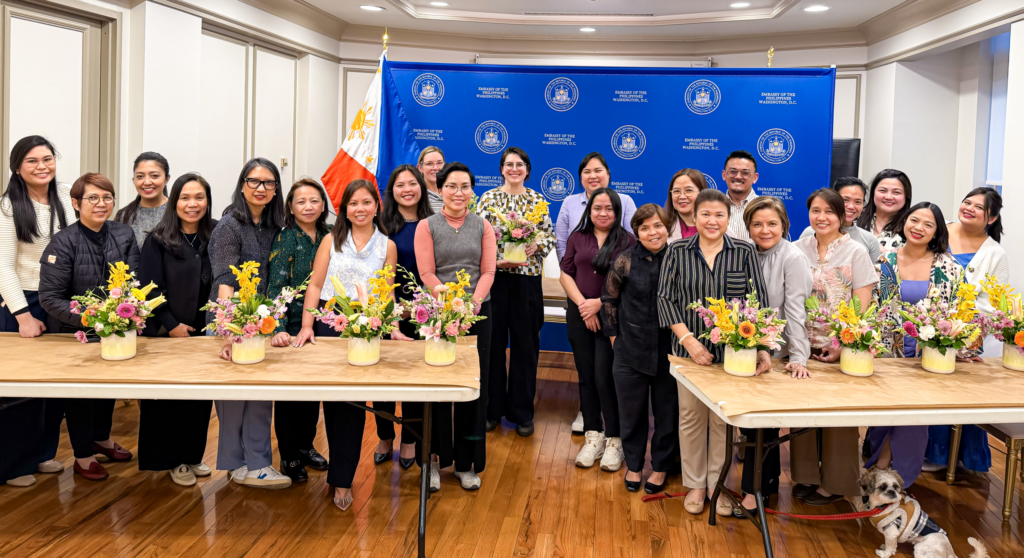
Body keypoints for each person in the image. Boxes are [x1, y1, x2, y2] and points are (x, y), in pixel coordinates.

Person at [657, 188, 768, 517]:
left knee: (722, 422)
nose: (712, 220)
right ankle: (695, 485)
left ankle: (718, 484)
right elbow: (665, 299)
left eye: (720, 215)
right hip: (685, 353)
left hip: (731, 356)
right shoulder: (676, 251)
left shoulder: (744, 252)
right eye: (705, 214)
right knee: (690, 419)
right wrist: (689, 340)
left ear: (729, 218)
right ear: (693, 217)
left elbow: (756, 301)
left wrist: (760, 348)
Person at [293, 179, 401, 510]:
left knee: (353, 407)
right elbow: (315, 285)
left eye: (366, 202)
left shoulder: (388, 246)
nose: (360, 209)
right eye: (353, 203)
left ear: (376, 207)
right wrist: (307, 326)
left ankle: (342, 480)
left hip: (367, 329)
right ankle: (338, 473)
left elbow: (387, 293)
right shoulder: (331, 240)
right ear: (344, 209)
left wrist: (392, 328)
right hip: (329, 325)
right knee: (334, 403)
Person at [38, 172, 139, 481]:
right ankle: (82, 454)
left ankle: (101, 438)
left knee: (109, 388)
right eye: (92, 198)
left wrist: (124, 313)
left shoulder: (124, 233)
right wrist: (90, 318)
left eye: (107, 197)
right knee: (81, 394)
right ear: (76, 203)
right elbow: (50, 297)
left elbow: (133, 281)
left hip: (115, 329)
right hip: (77, 332)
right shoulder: (64, 241)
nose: (101, 204)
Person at [791, 188, 878, 506]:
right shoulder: (798, 247)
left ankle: (837, 482)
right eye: (815, 210)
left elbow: (862, 303)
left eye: (829, 211)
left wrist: (843, 343)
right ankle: (806, 476)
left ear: (842, 216)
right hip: (803, 344)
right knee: (802, 414)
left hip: (840, 347)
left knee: (838, 418)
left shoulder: (855, 251)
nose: (821, 217)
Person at [208, 157, 291, 489]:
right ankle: (238, 463)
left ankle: (255, 461)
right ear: (242, 185)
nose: (261, 188)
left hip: (261, 319)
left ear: (275, 191)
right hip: (231, 318)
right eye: (254, 181)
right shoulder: (228, 225)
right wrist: (230, 330)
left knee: (259, 392)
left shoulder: (274, 226)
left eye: (268, 183)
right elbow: (225, 280)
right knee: (232, 396)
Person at [415, 162, 496, 491]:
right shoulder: (427, 226)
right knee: (437, 388)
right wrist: (451, 306)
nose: (458, 192)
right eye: (451, 186)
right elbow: (427, 273)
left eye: (465, 186)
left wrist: (471, 306)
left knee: (472, 389)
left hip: (478, 315)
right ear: (440, 188)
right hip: (439, 316)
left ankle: (466, 463)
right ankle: (434, 460)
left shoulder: (482, 225)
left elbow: (488, 271)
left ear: (472, 190)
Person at [0, 135, 75, 487]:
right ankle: (14, 466)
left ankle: (42, 455)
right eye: (32, 161)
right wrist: (22, 315)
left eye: (47, 159)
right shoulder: (8, 207)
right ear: (18, 168)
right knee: (19, 391)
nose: (42, 166)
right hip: (24, 303)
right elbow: (3, 266)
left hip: (56, 300)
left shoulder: (62, 203)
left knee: (53, 386)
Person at [868, 202, 960, 487]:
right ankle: (878, 466)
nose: (919, 228)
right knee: (884, 410)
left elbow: (957, 309)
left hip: (929, 352)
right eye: (914, 220)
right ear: (904, 222)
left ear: (937, 232)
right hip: (886, 349)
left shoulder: (949, 266)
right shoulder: (885, 261)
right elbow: (872, 305)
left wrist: (965, 349)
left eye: (928, 224)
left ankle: (896, 474)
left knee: (916, 415)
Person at [735, 196, 813, 517]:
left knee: (762, 426)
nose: (764, 230)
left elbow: (796, 312)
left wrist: (799, 357)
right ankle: (762, 485)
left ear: (784, 225)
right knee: (752, 425)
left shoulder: (792, 257)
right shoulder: (744, 253)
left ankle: (754, 492)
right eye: (757, 224)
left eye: (772, 224)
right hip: (745, 348)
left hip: (778, 353)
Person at [137, 173, 216, 486]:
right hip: (167, 332)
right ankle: (170, 459)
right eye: (185, 197)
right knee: (167, 399)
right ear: (174, 201)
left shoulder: (214, 235)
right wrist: (171, 325)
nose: (192, 204)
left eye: (199, 197)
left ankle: (192, 455)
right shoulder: (157, 240)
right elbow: (148, 288)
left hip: (203, 331)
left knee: (198, 398)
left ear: (207, 201)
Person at [923, 187, 1008, 474]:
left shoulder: (994, 253)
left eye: (978, 207)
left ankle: (958, 456)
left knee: (957, 394)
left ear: (992, 218)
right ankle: (928, 453)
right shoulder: (941, 229)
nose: (969, 208)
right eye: (966, 202)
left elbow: (997, 302)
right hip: (927, 325)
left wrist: (970, 329)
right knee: (929, 391)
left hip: (968, 332)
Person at [555, 152, 636, 434]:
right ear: (589, 211)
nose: (603, 213)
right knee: (586, 376)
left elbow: (631, 280)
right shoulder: (578, 236)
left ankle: (614, 437)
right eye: (597, 208)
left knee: (606, 378)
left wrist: (599, 304)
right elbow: (565, 271)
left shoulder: (628, 240)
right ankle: (592, 433)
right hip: (580, 312)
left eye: (609, 209)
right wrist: (582, 305)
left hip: (611, 315)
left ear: (618, 211)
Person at [476, 147, 554, 438]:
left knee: (525, 348)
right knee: (492, 346)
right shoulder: (488, 199)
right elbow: (478, 236)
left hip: (526, 282)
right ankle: (490, 410)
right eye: (508, 164)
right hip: (494, 280)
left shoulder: (537, 200)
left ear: (527, 169)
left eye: (519, 164)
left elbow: (548, 235)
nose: (514, 169)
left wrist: (536, 246)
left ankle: (522, 413)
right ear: (501, 169)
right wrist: (495, 260)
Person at [601, 204, 676, 494]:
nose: (652, 232)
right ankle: (634, 465)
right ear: (637, 232)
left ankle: (659, 469)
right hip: (629, 349)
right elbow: (609, 299)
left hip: (669, 351)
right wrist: (615, 341)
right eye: (644, 227)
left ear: (667, 227)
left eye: (657, 225)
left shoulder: (679, 257)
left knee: (667, 414)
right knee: (630, 413)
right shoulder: (625, 259)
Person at [267, 178, 332, 483]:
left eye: (314, 201)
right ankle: (290, 455)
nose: (308, 207)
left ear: (324, 205)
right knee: (290, 397)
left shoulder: (332, 235)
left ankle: (306, 446)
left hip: (323, 325)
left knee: (313, 394)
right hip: (292, 327)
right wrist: (278, 327)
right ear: (290, 207)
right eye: (301, 201)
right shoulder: (286, 238)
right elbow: (276, 287)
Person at [380, 164, 434, 471]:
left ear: (421, 187)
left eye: (412, 184)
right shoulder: (382, 225)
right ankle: (385, 435)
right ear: (392, 191)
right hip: (389, 309)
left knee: (417, 378)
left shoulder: (434, 223)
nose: (407, 190)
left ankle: (410, 439)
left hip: (425, 312)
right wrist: (393, 309)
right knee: (386, 378)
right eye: (400, 185)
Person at [554, 152, 637, 260]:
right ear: (580, 176)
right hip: (578, 271)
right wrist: (567, 269)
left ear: (608, 173)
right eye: (587, 172)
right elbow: (561, 242)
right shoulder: (569, 202)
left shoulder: (625, 201)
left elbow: (633, 240)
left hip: (617, 270)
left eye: (598, 171)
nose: (593, 176)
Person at [799, 177, 881, 262]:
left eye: (858, 202)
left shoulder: (870, 240)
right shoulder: (811, 233)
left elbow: (874, 273)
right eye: (845, 200)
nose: (851, 206)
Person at [115, 152, 170, 247]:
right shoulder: (124, 215)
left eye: (154, 176)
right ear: (134, 180)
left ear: (166, 179)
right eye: (140, 176)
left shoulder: (178, 211)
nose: (147, 182)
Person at [856, 169, 913, 254]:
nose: (889, 197)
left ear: (906, 196)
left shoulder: (912, 228)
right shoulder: (854, 218)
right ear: (873, 193)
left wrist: (884, 253)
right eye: (882, 191)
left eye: (896, 192)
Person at [720, 150, 759, 243]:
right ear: (724, 175)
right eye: (733, 171)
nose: (738, 177)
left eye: (745, 173)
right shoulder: (713, 207)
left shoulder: (766, 208)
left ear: (755, 178)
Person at [663, 169, 706, 243]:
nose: (682, 196)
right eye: (676, 191)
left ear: (702, 193)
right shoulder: (661, 227)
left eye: (689, 190)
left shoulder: (719, 226)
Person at [417, 146, 446, 213]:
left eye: (439, 163)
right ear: (420, 168)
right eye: (429, 164)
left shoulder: (455, 193)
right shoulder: (416, 196)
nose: (435, 168)